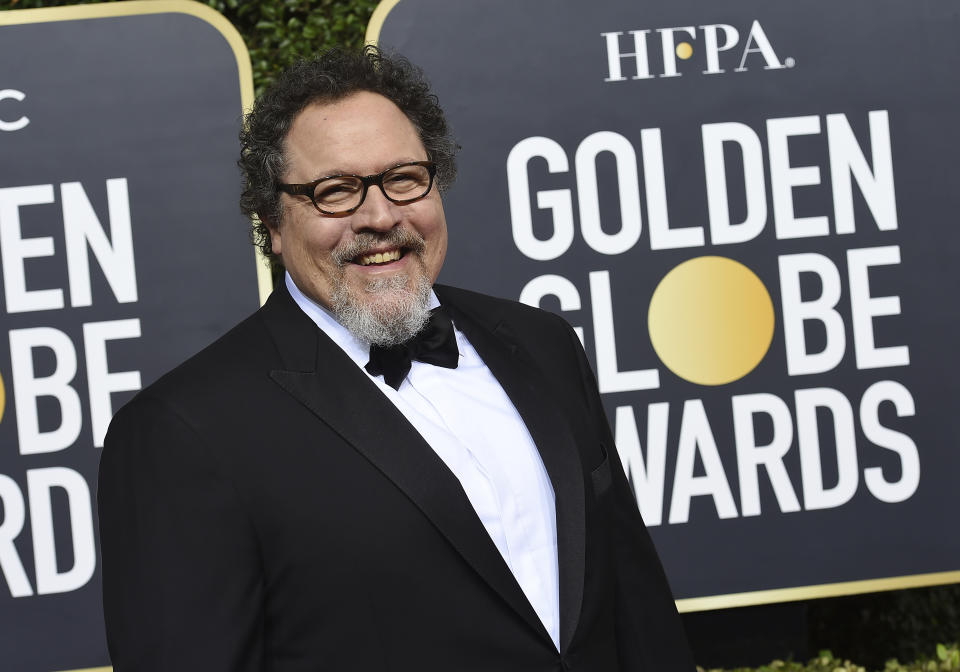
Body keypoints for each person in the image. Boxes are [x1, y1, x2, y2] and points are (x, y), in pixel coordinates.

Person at [97, 46, 695, 672]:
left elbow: (639, 610)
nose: (381, 216)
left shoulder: (541, 344)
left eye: (404, 178)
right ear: (272, 222)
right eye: (335, 191)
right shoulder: (183, 433)